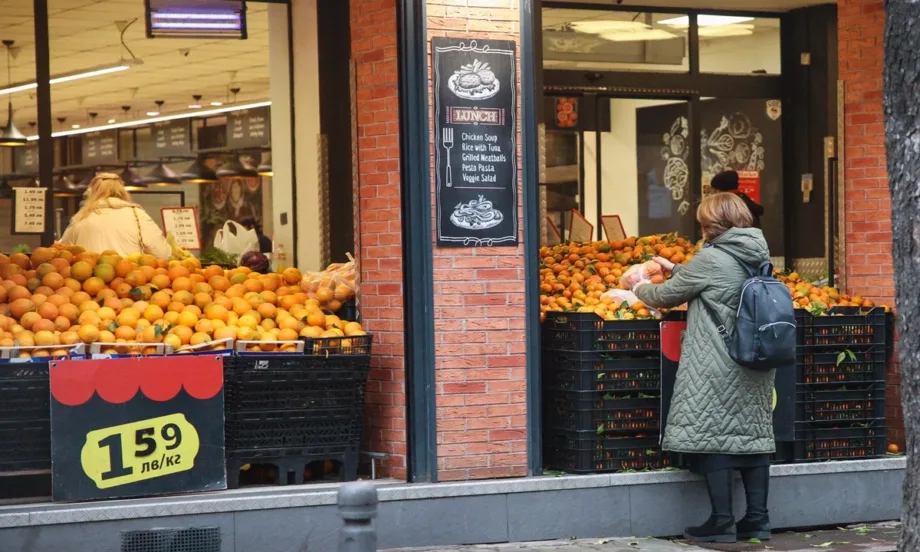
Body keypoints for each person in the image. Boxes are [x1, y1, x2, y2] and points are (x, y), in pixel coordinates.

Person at [630, 192, 775, 544]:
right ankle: (757, 520)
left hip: (717, 360)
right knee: (753, 438)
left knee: (715, 436)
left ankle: (721, 521)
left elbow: (668, 296)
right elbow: (717, 283)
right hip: (754, 359)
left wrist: (639, 287)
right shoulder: (756, 252)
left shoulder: (712, 257)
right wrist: (676, 268)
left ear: (712, 224)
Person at [59, 172, 171, 259]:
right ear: (123, 191)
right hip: (129, 282)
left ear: (92, 192)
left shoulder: (81, 217)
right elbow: (163, 253)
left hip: (87, 283)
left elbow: (61, 252)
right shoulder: (137, 215)